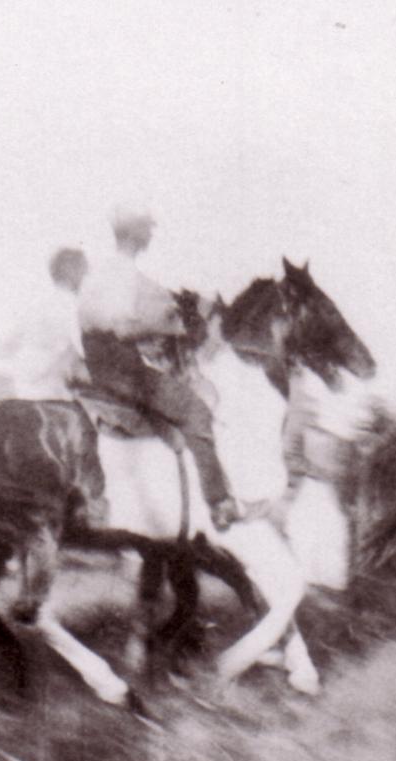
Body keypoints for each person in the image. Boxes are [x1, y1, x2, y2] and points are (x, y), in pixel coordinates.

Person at [78, 203, 241, 530]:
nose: (152, 234)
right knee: (197, 413)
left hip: (100, 365)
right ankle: (220, 504)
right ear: (136, 233)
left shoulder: (98, 272)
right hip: (124, 371)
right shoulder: (125, 273)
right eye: (148, 228)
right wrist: (171, 327)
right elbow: (124, 328)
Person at [0, 246, 90, 401]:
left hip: (23, 380)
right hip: (50, 383)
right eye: (84, 271)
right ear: (73, 272)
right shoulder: (71, 305)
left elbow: (11, 340)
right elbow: (83, 348)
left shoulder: (39, 303)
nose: (87, 277)